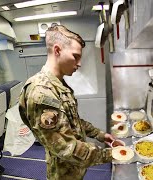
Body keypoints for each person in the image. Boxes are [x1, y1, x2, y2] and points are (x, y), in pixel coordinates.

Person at [19, 25, 115, 180]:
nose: (79, 63)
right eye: (75, 56)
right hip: (63, 173)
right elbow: (65, 147)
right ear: (57, 50)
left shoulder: (59, 84)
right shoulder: (41, 93)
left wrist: (100, 135)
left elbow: (73, 121)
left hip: (75, 166)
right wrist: (111, 155)